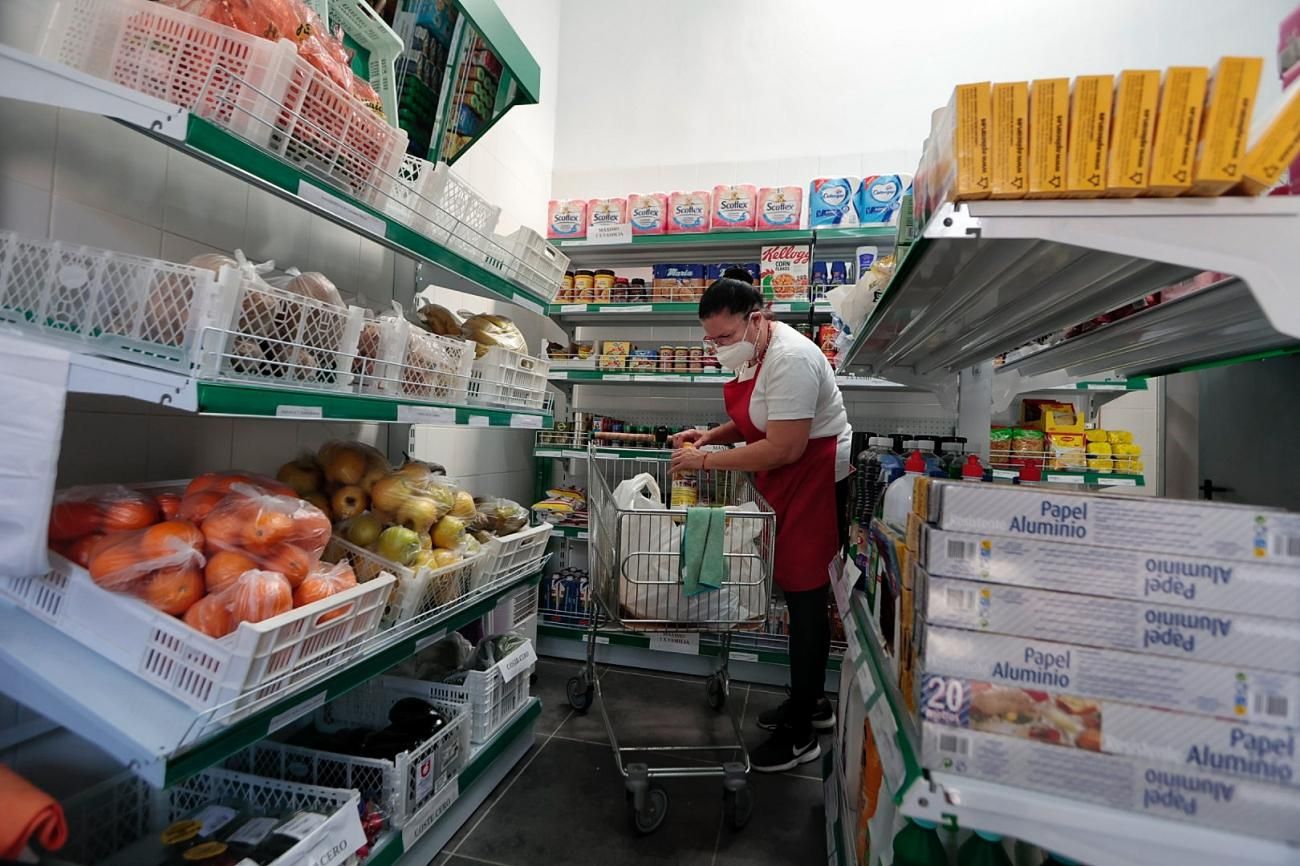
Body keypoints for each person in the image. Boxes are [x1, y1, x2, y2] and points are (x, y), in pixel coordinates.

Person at [670, 277, 852, 773]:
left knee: (806, 593)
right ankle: (810, 705)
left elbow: (786, 446)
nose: (717, 348)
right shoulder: (757, 350)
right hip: (790, 470)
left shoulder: (791, 358)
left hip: (813, 473)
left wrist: (706, 461)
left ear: (757, 318)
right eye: (710, 339)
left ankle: (802, 736)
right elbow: (759, 417)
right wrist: (711, 434)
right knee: (796, 590)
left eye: (725, 337)